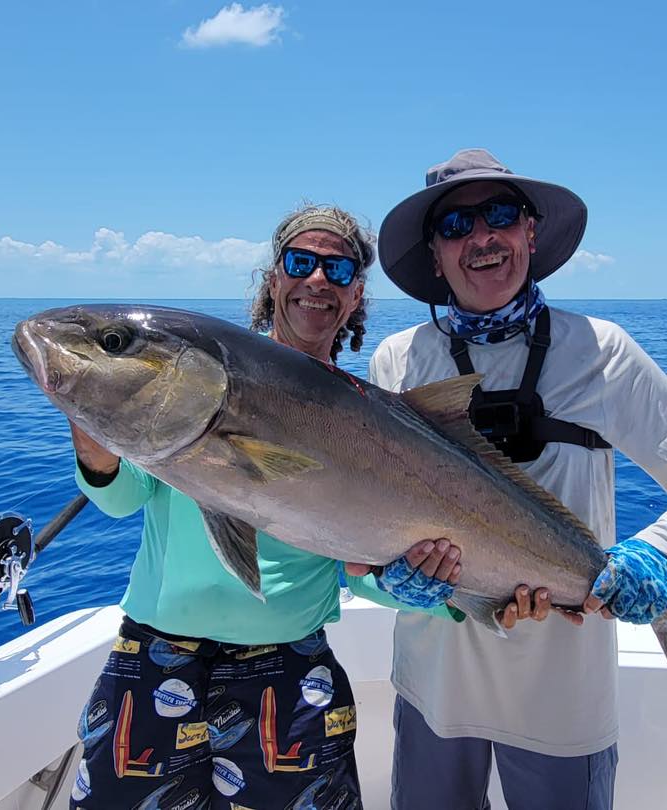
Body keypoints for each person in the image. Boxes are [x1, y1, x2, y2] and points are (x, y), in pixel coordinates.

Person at [369, 149, 667, 809]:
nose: (482, 236)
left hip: (564, 703)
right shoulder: (399, 359)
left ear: (530, 233)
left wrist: (659, 554)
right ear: (435, 254)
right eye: (456, 224)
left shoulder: (602, 351)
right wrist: (392, 583)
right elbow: (371, 518)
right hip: (433, 688)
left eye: (501, 214)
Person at [66, 204, 459, 810]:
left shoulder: (373, 424)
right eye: (301, 262)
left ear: (356, 295)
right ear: (273, 278)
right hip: (154, 656)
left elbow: (358, 566)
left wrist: (409, 586)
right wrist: (93, 431)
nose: (318, 280)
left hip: (289, 671)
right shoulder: (194, 379)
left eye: (339, 268)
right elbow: (121, 499)